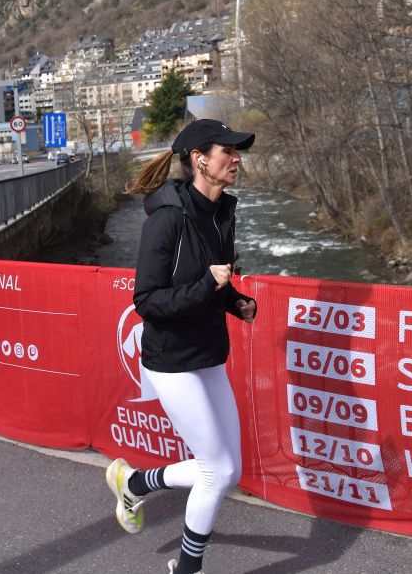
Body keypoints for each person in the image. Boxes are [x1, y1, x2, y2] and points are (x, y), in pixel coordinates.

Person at [105, 118, 258, 574]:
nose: (236, 159)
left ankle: (133, 483)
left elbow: (214, 282)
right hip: (170, 359)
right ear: (199, 160)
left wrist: (237, 302)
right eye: (226, 151)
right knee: (215, 472)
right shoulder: (167, 219)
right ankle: (187, 570)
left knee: (228, 470)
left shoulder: (222, 213)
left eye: (237, 152)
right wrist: (207, 287)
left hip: (208, 353)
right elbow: (147, 301)